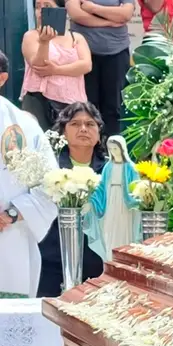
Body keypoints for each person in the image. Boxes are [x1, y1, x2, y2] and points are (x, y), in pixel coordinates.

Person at [0, 56, 60, 299]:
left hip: (8, 240)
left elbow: (50, 185)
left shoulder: (22, 126)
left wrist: (10, 215)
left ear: (2, 79)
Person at [37, 102, 106, 297]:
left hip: (97, 263)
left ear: (99, 132)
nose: (83, 129)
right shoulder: (49, 168)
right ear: (63, 132)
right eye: (75, 124)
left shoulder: (110, 171)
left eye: (90, 124)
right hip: (52, 261)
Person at [66, 0, 135, 135]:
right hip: (83, 54)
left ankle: (111, 150)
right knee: (84, 108)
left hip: (117, 52)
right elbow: (76, 14)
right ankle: (90, 151)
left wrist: (92, 8)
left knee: (114, 108)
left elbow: (125, 14)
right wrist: (109, 21)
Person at [20, 0, 92, 131]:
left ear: (61, 10)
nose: (41, 11)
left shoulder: (76, 37)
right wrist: (44, 42)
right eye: (38, 7)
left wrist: (55, 69)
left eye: (47, 6)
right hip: (39, 100)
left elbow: (86, 65)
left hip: (72, 102)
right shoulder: (31, 36)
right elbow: (39, 66)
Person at [85, 134, 140, 260]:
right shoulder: (108, 167)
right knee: (109, 231)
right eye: (111, 149)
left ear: (122, 149)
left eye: (116, 148)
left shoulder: (130, 167)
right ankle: (110, 260)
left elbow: (136, 187)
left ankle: (125, 260)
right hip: (110, 202)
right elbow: (102, 187)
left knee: (124, 231)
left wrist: (136, 199)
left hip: (125, 204)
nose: (113, 152)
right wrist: (92, 201)